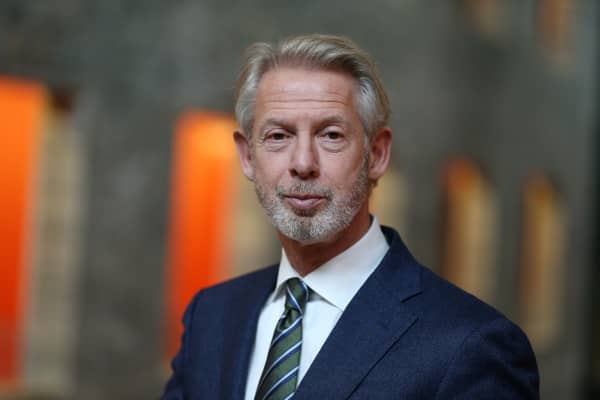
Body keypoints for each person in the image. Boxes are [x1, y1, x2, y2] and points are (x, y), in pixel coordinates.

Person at [162, 34, 539, 399]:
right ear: (247, 156)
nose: (303, 163)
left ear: (377, 154)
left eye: (331, 135)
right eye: (278, 136)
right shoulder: (211, 316)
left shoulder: (472, 345)